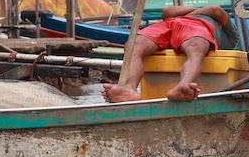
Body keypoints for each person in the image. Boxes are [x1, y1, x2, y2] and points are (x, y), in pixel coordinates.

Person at [102, 5, 239, 103]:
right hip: (169, 24)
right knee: (132, 47)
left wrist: (190, 15)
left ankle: (183, 86)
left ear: (220, 25)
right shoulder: (186, 16)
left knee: (196, 48)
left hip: (196, 26)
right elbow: (167, 11)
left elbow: (215, 10)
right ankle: (129, 89)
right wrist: (199, 13)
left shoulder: (231, 37)